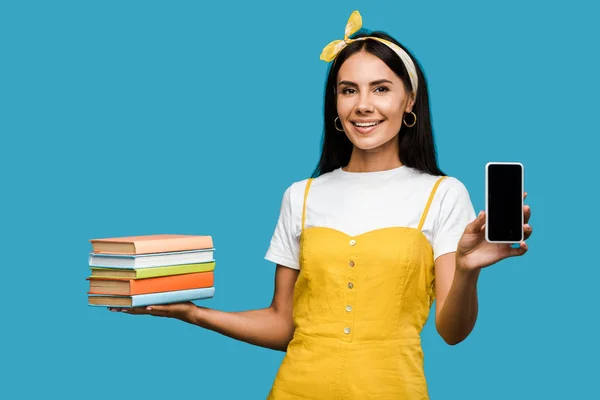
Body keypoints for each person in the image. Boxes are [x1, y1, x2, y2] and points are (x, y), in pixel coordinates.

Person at [109, 10, 533, 399]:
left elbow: (452, 332)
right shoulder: (301, 195)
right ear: (335, 104)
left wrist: (465, 270)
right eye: (349, 90)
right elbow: (283, 323)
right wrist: (193, 314)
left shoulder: (443, 194)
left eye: (380, 89)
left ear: (409, 101)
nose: (363, 105)